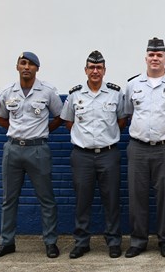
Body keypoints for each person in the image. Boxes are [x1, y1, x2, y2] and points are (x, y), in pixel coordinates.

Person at [0, 52, 63, 259]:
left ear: (37, 69)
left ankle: (50, 242)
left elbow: (60, 116)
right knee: (9, 199)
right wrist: (19, 132)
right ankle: (6, 242)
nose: (26, 67)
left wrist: (41, 131)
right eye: (23, 63)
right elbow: (1, 119)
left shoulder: (47, 92)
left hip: (38, 150)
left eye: (31, 64)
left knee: (46, 199)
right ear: (17, 67)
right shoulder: (7, 92)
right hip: (12, 150)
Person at [122, 37, 165, 258]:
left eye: (159, 55)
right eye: (151, 54)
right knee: (137, 196)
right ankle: (138, 240)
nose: (155, 58)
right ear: (146, 58)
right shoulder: (133, 84)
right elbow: (129, 113)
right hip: (138, 148)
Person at [60, 50, 126, 259]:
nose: (95, 71)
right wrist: (83, 139)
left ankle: (114, 241)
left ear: (104, 71)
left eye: (99, 68)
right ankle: (81, 242)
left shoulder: (115, 94)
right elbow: (68, 122)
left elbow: (122, 121)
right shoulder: (75, 94)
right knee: (82, 200)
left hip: (109, 154)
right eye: (91, 67)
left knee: (112, 199)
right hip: (82, 155)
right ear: (86, 70)